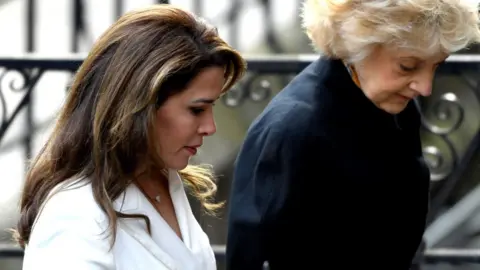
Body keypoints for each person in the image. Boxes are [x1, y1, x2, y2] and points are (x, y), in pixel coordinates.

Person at [226, 0, 480, 269]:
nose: (425, 87)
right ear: (358, 43)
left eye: (436, 66)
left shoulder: (392, 103)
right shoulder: (294, 132)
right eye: (407, 66)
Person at [13, 4, 246, 270]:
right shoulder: (74, 216)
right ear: (142, 105)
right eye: (196, 109)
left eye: (211, 107)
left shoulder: (162, 176)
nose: (210, 127)